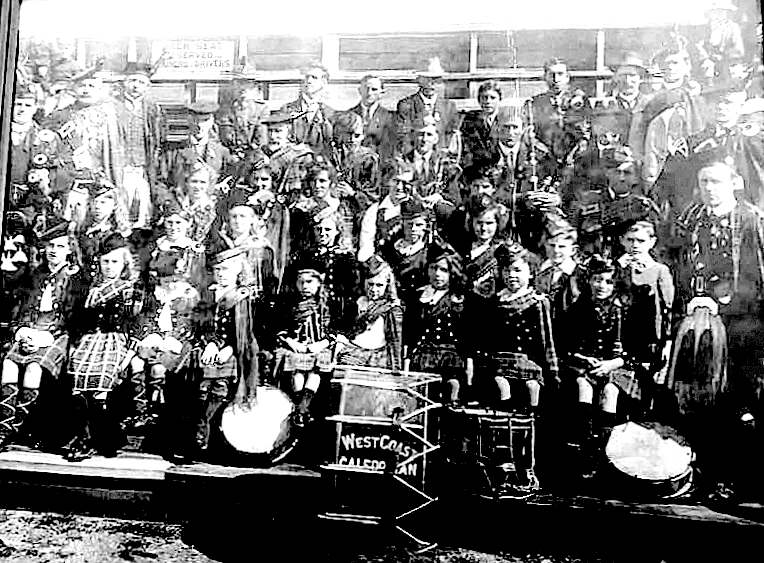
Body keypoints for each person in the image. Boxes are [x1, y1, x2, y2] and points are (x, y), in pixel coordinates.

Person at [0, 217, 87, 448]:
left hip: (57, 335)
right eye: (50, 245)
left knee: (34, 368)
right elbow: (22, 309)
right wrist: (23, 332)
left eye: (60, 246)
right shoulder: (35, 275)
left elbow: (71, 318)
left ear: (69, 250)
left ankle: (20, 428)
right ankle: (4, 428)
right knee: (8, 365)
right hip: (31, 330)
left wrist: (44, 338)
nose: (54, 251)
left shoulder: (75, 278)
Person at [65, 233, 143, 461]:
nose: (109, 266)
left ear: (124, 264)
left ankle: (104, 439)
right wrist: (74, 346)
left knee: (100, 385)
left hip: (115, 342)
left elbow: (136, 324)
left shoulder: (131, 289)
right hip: (89, 341)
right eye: (106, 261)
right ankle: (83, 438)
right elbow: (78, 322)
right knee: (78, 384)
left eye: (115, 262)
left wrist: (129, 355)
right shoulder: (90, 289)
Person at [559, 255, 632, 479]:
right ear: (589, 280)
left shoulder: (622, 310)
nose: (602, 286)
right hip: (582, 365)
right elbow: (565, 345)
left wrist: (612, 363)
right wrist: (583, 358)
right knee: (584, 387)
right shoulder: (577, 309)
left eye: (608, 282)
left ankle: (604, 452)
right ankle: (584, 449)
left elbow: (633, 350)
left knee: (610, 392)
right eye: (598, 280)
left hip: (615, 366)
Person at [194, 246, 260, 459]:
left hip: (235, 347)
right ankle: (201, 426)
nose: (221, 274)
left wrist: (229, 348)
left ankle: (209, 425)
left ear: (238, 271)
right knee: (202, 383)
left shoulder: (242, 297)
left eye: (226, 270)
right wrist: (210, 343)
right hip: (208, 344)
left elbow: (244, 331)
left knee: (220, 386)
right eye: (218, 270)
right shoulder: (208, 294)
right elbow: (201, 324)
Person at [615, 220, 675, 411]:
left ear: (651, 242)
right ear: (622, 241)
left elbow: (668, 309)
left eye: (640, 241)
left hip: (649, 337)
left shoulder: (659, 270)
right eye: (630, 240)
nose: (635, 245)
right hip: (622, 335)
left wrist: (667, 342)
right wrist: (618, 269)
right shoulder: (617, 269)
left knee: (644, 386)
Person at [406, 240, 469, 406]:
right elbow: (410, 331)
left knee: (451, 392)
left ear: (452, 272)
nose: (437, 274)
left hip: (450, 358)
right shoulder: (418, 297)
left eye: (443, 270)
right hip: (422, 356)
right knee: (420, 398)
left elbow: (467, 334)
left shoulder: (458, 299)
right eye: (433, 268)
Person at [273, 261, 336, 426]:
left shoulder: (326, 305)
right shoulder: (290, 305)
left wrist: (322, 343)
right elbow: (281, 328)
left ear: (319, 283)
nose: (305, 286)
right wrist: (292, 342)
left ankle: (302, 407)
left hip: (319, 347)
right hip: (297, 347)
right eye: (301, 282)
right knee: (297, 369)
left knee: (316, 369)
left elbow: (333, 331)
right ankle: (301, 408)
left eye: (309, 282)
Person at [112, 61, 163, 230]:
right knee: (121, 207)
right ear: (124, 83)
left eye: (141, 82)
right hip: (120, 168)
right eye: (132, 81)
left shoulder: (152, 109)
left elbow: (157, 139)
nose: (136, 86)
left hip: (142, 168)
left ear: (147, 86)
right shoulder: (112, 107)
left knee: (143, 209)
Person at [335, 255, 404, 370]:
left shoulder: (391, 308)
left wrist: (396, 368)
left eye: (379, 285)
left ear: (388, 285)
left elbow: (395, 342)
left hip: (377, 357)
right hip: (353, 352)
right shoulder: (358, 303)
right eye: (370, 284)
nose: (374, 289)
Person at [396, 58, 459, 157]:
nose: (431, 83)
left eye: (436, 79)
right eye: (426, 79)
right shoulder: (407, 105)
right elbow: (404, 136)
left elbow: (451, 136)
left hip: (441, 158)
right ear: (419, 80)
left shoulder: (449, 107)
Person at [460, 80, 522, 171]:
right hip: (477, 168)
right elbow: (468, 147)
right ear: (479, 100)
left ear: (500, 99)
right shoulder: (470, 120)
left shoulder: (506, 119)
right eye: (484, 98)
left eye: (492, 98)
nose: (488, 101)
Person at [280, 62, 335, 157]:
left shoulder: (329, 113)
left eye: (314, 77)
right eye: (306, 77)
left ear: (324, 83)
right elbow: (281, 140)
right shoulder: (287, 109)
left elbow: (330, 146)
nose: (309, 81)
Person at [462, 193, 509, 299]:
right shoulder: (463, 249)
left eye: (489, 223)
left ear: (497, 224)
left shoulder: (502, 251)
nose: (483, 228)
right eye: (479, 223)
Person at [349, 75, 396, 159]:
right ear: (359, 90)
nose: (369, 93)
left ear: (382, 92)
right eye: (366, 88)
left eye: (374, 89)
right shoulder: (348, 116)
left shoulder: (390, 118)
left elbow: (390, 147)